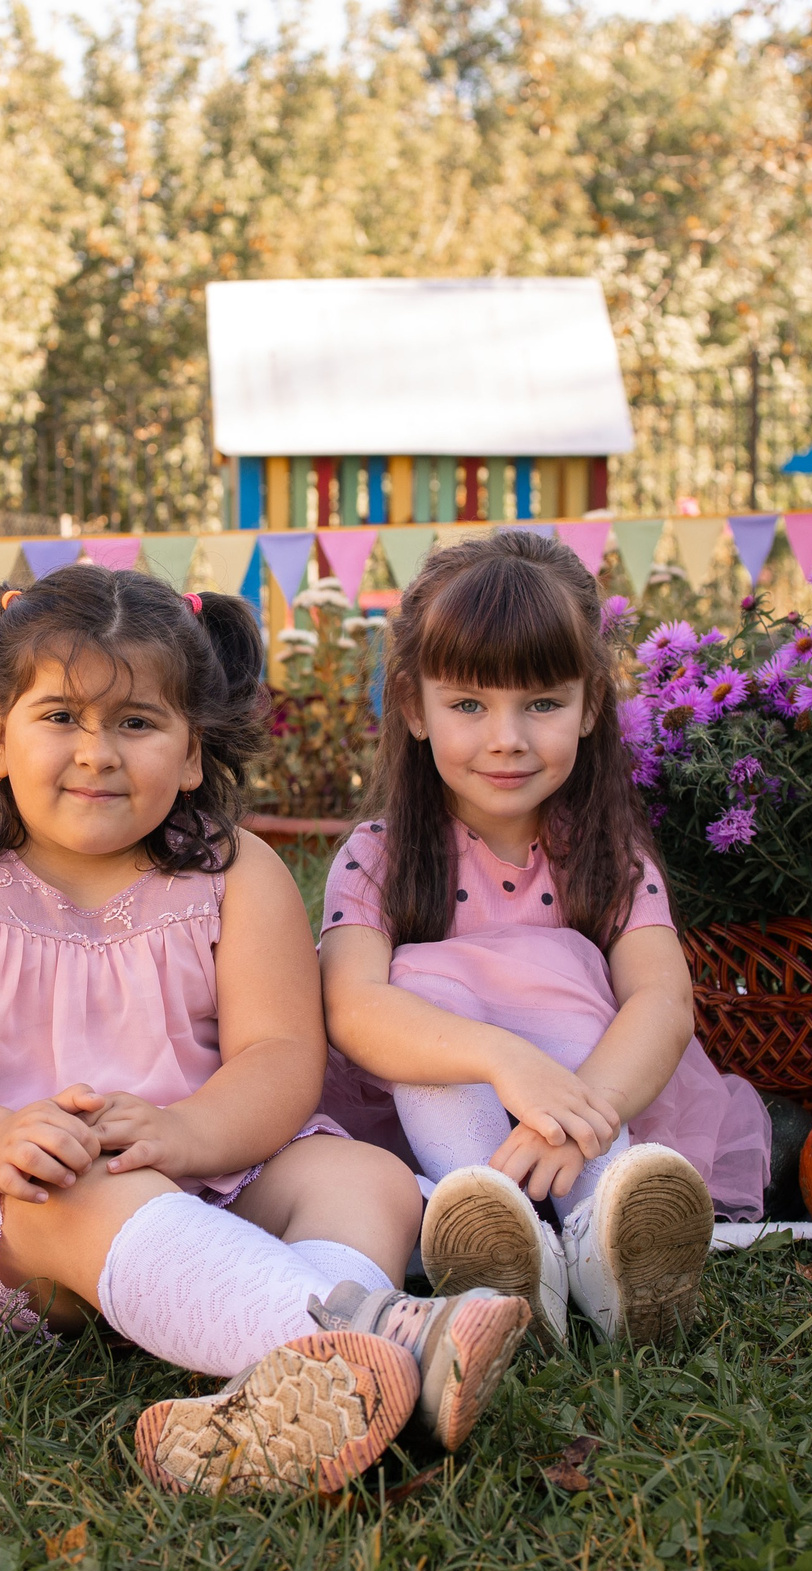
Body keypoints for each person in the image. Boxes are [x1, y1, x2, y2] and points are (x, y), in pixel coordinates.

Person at [0, 566, 533, 1495]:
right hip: (21, 1211)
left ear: (194, 753)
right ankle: (376, 1338)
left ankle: (281, 1393)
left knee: (364, 1176)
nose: (97, 753)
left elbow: (280, 1055)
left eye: (136, 722)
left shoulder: (235, 872)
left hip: (211, 1164)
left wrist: (188, 1134)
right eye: (60, 717)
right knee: (78, 1186)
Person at [319, 533, 769, 1349]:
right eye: (468, 705)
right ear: (413, 708)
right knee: (415, 981)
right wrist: (502, 1059)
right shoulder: (378, 855)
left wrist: (580, 1114)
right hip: (444, 1115)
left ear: (591, 704)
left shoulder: (605, 855)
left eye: (542, 703)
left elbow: (662, 1001)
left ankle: (608, 1235)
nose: (507, 738)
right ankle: (498, 1227)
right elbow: (353, 1007)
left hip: (595, 1103)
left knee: (565, 966)